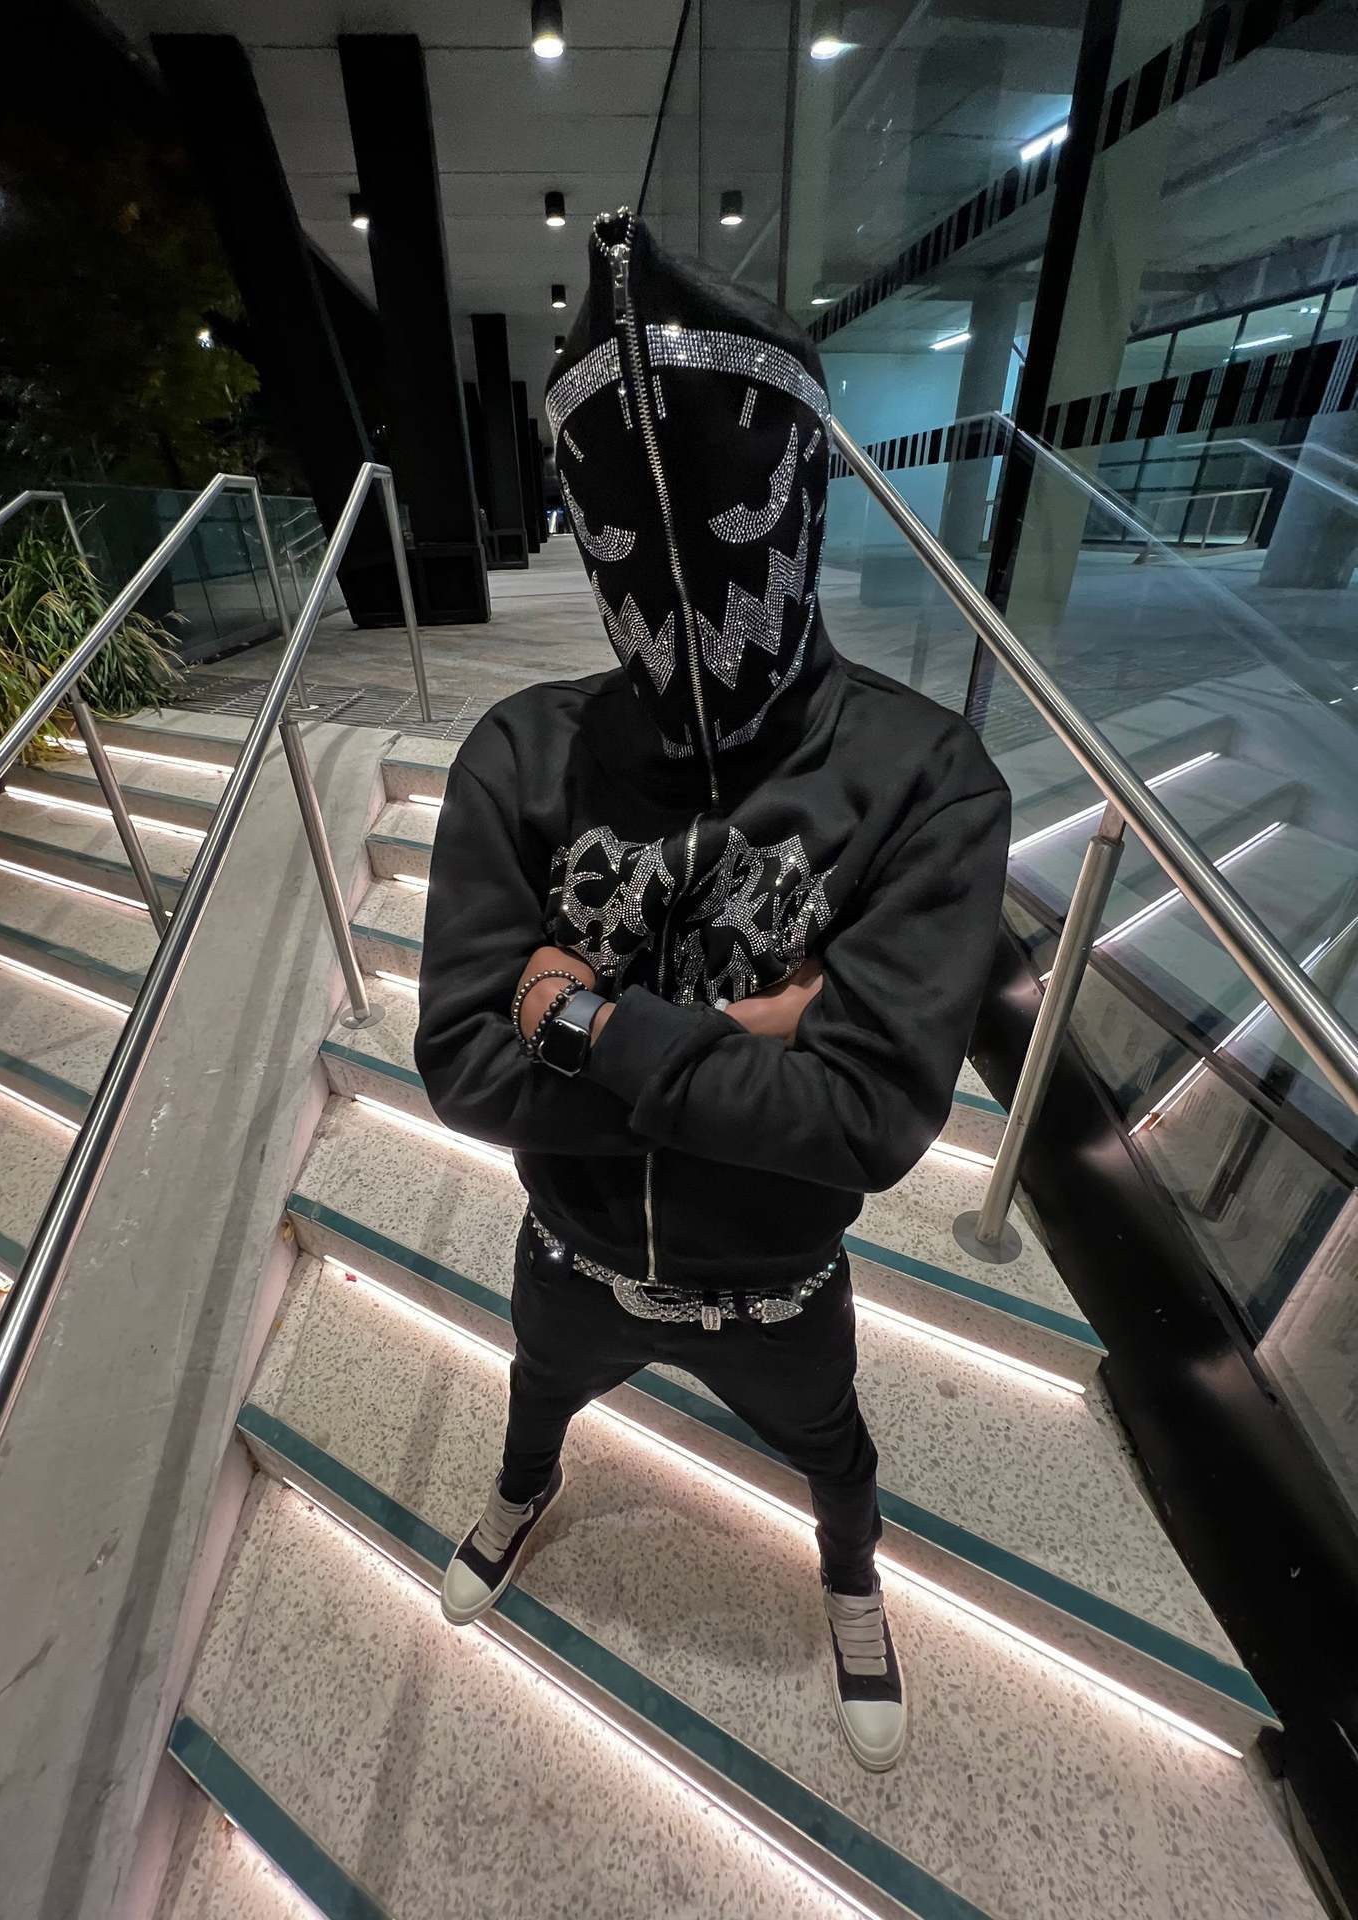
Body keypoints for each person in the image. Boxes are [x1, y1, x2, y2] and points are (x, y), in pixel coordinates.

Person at [414, 209, 1009, 1772]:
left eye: (726, 499)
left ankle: (853, 1579)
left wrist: (582, 1019)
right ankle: (525, 1492)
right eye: (622, 512)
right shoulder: (524, 755)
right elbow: (462, 1066)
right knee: (536, 1401)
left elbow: (869, 1116)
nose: (675, 553)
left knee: (836, 1455)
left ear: (798, 489)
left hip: (779, 1282)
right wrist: (757, 1038)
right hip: (574, 1253)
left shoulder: (921, 776)